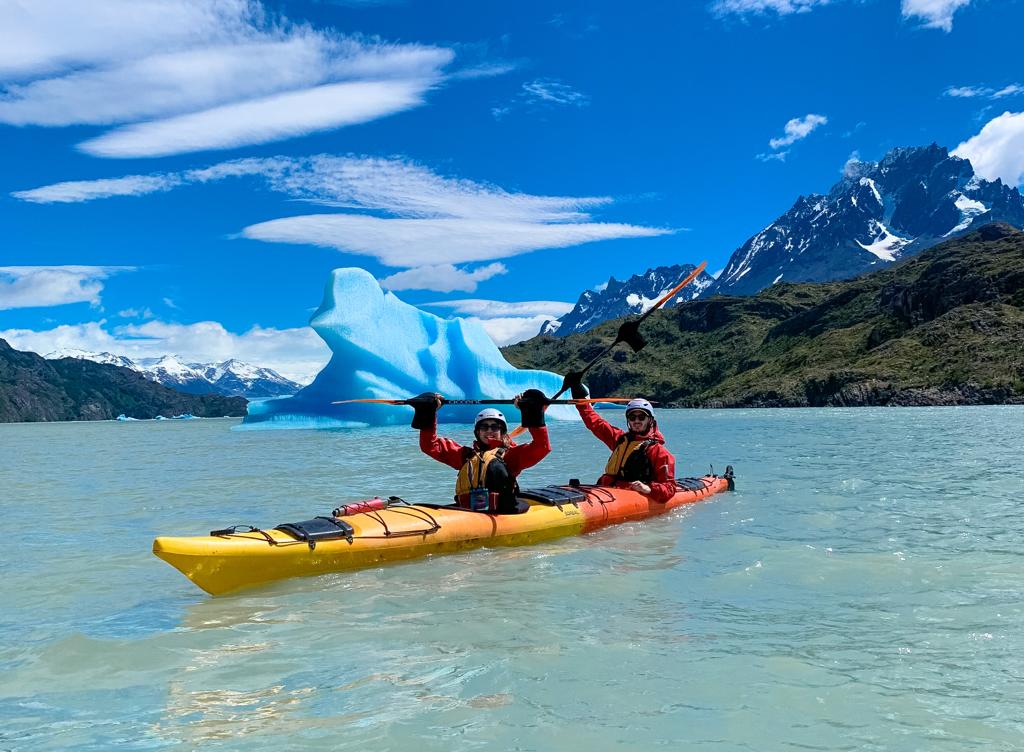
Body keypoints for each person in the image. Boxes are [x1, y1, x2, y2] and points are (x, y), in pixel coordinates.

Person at [411, 389, 551, 514]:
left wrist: (531, 411)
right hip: (470, 511)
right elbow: (430, 446)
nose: (489, 430)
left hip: (502, 513)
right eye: (484, 427)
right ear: (477, 432)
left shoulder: (510, 456)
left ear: (502, 432)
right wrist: (429, 412)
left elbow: (541, 447)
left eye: (495, 427)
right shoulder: (466, 455)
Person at [567, 378, 677, 503]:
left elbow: (670, 488)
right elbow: (595, 423)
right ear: (628, 420)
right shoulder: (620, 439)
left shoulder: (659, 452)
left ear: (650, 420)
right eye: (632, 417)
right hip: (606, 490)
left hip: (629, 496)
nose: (636, 421)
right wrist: (578, 394)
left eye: (641, 417)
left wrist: (648, 488)